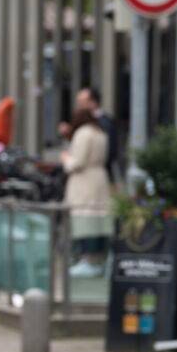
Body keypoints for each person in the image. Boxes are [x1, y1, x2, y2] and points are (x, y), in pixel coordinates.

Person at [61, 107, 113, 278]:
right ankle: (98, 260)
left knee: (84, 220)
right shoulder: (100, 133)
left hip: (84, 181)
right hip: (100, 179)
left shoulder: (83, 133)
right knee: (97, 221)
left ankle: (88, 261)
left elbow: (78, 162)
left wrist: (66, 159)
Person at [59, 88, 118, 181]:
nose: (79, 106)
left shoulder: (105, 123)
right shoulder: (83, 122)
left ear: (93, 102)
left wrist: (69, 160)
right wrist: (69, 134)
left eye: (82, 102)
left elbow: (109, 152)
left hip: (91, 177)